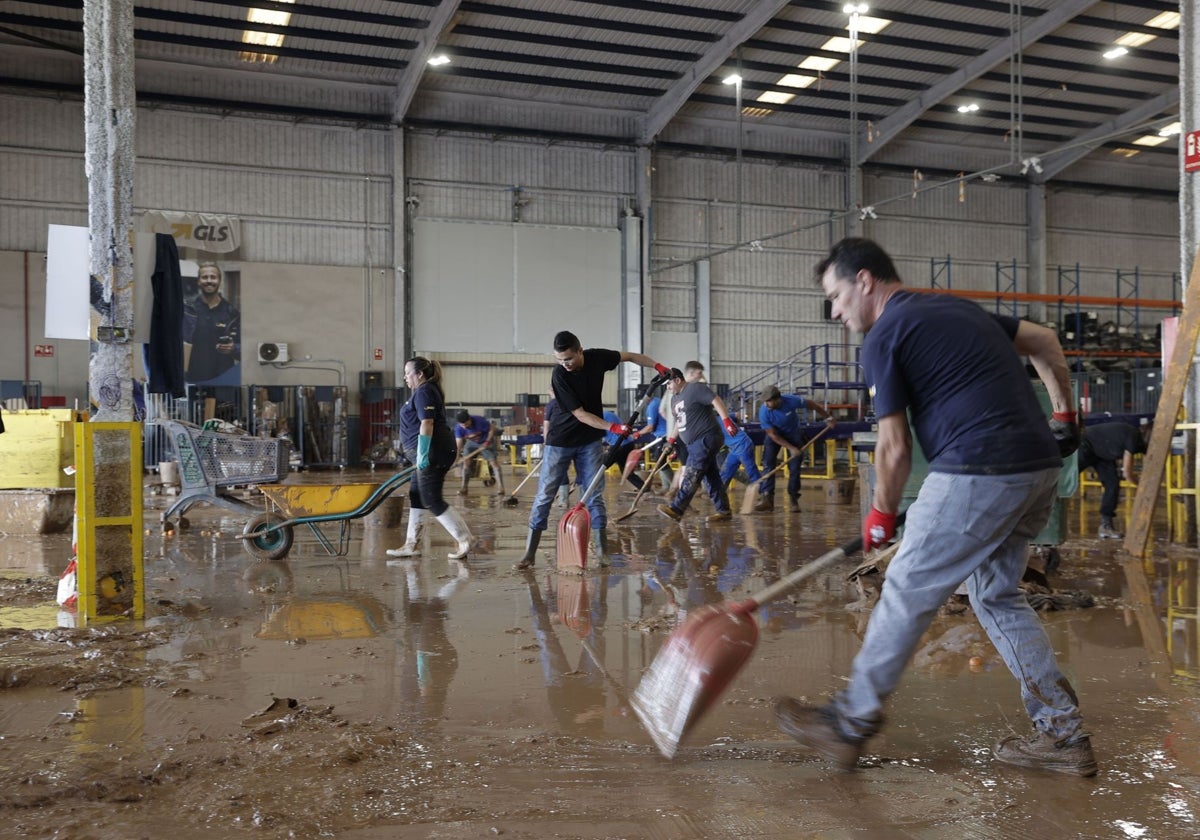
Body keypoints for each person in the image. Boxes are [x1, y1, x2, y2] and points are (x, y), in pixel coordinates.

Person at [773, 237, 1095, 777]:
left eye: (835, 295)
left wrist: (880, 514)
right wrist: (1064, 417)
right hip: (1039, 466)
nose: (834, 310)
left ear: (865, 281)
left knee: (905, 589)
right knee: (995, 595)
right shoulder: (957, 309)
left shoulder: (884, 336)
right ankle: (1062, 736)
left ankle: (848, 723)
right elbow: (1044, 339)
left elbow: (894, 448)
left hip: (979, 467)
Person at [513, 331, 670, 571]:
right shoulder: (559, 376)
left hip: (589, 441)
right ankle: (529, 553)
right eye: (559, 360)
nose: (564, 364)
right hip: (560, 442)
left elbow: (630, 356)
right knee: (545, 494)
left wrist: (657, 365)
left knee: (595, 494)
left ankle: (603, 552)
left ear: (579, 350)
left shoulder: (597, 358)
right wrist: (614, 427)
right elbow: (580, 415)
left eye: (568, 359)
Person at [386, 357, 476, 561]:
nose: (405, 377)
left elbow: (427, 423)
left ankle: (465, 539)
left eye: (408, 373)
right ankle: (411, 544)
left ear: (419, 374)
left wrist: (423, 453)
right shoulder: (422, 391)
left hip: (434, 451)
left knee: (431, 498)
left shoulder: (425, 391)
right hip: (433, 450)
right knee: (417, 495)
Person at [657, 362, 736, 523]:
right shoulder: (674, 399)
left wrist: (726, 421)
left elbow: (716, 400)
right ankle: (724, 511)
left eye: (669, 384)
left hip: (706, 438)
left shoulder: (695, 389)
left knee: (692, 473)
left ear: (677, 380)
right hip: (693, 443)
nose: (668, 388)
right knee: (711, 477)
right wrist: (671, 440)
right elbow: (679, 422)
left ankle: (677, 509)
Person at [752, 385, 835, 512]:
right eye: (765, 401)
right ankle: (767, 498)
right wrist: (791, 448)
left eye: (769, 401)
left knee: (795, 467)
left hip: (793, 433)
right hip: (775, 435)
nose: (766, 404)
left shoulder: (791, 400)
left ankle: (793, 498)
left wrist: (827, 417)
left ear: (777, 399)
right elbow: (772, 435)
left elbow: (813, 405)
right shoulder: (764, 411)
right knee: (768, 464)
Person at [1078, 419, 1149, 539]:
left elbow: (1149, 463)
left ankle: (1106, 526)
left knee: (1113, 485)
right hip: (1085, 445)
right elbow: (1127, 473)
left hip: (1102, 454)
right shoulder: (1134, 437)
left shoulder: (1142, 444)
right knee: (1063, 481)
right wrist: (1140, 484)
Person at [183, 261, 240, 384]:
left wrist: (233, 348)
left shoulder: (232, 313)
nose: (209, 281)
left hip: (223, 378)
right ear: (198, 281)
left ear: (220, 281)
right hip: (192, 379)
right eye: (205, 277)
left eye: (213, 277)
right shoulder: (187, 310)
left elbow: (244, 347)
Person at [454, 411, 505, 496]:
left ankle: (501, 488)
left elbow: (492, 429)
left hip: (485, 441)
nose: (465, 426)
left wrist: (487, 441)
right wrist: (457, 457)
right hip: (471, 443)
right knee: (467, 463)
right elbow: (458, 443)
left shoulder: (479, 421)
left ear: (469, 419)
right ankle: (464, 488)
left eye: (466, 424)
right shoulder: (459, 428)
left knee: (494, 463)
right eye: (462, 425)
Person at [718, 412, 761, 489]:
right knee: (725, 472)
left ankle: (762, 492)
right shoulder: (723, 415)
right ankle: (718, 493)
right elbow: (737, 414)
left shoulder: (710, 423)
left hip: (743, 446)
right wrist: (736, 424)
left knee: (751, 472)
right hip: (734, 449)